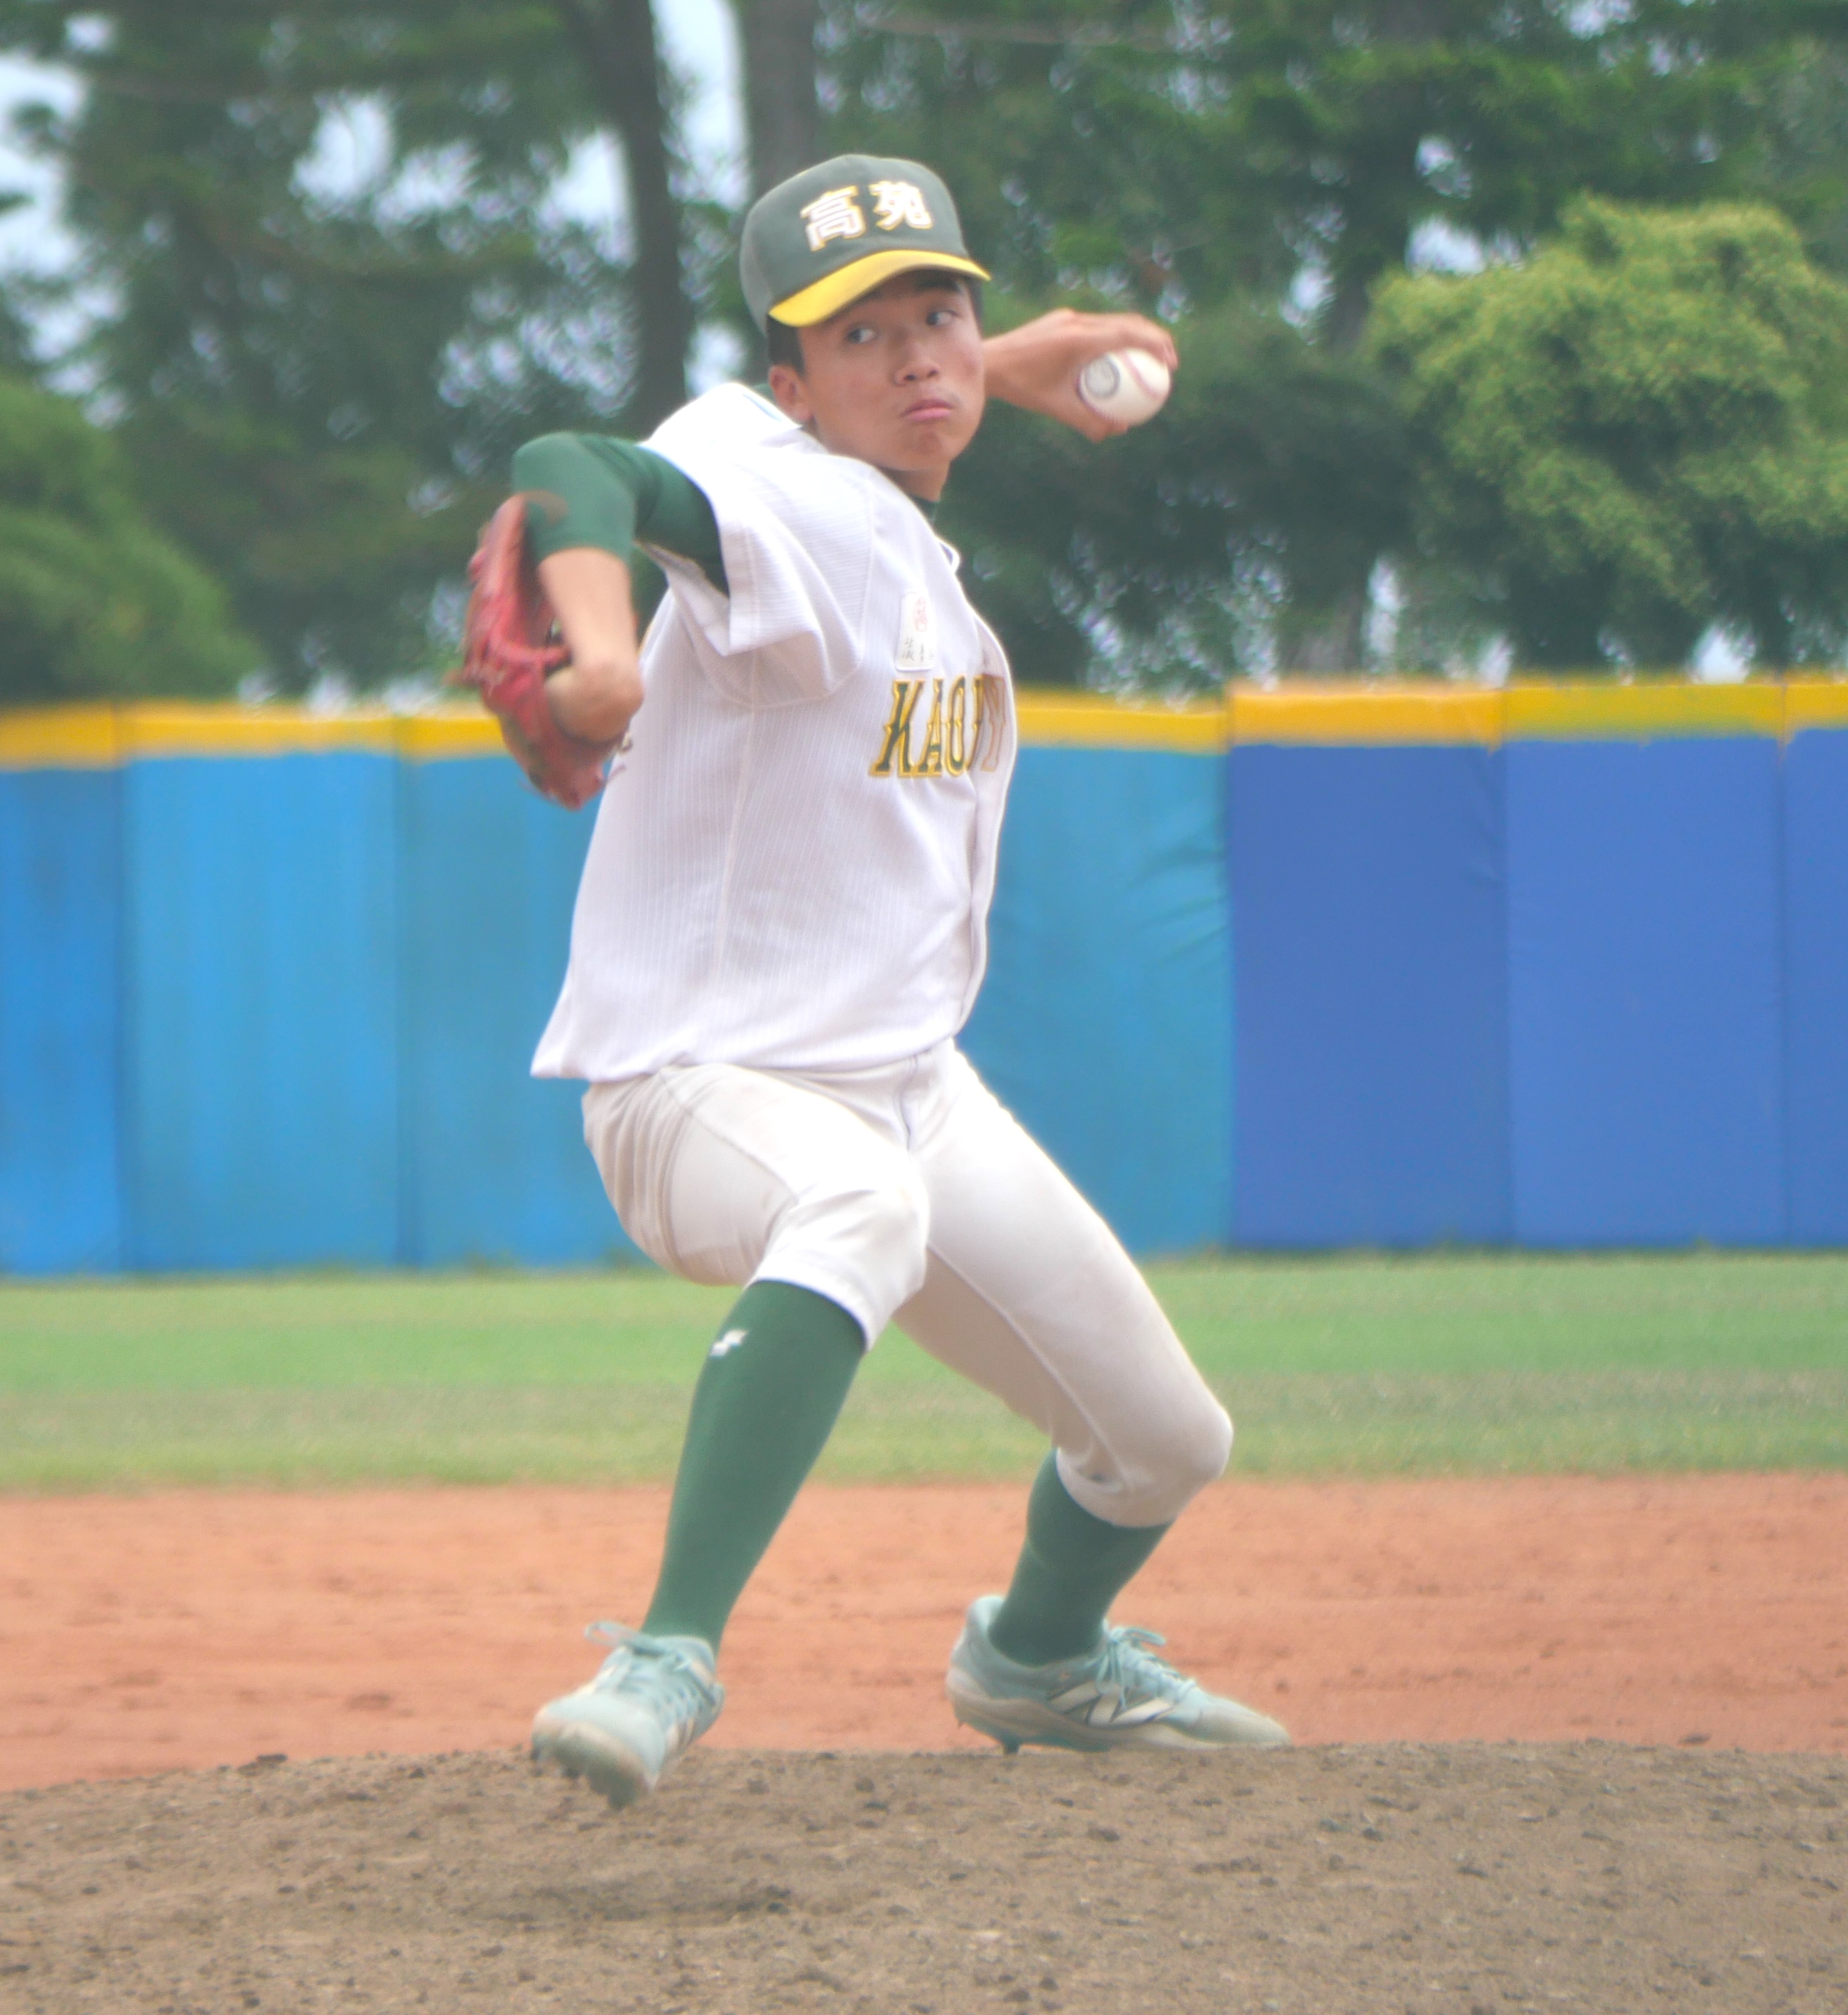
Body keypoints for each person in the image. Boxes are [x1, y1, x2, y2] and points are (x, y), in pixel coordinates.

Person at [492, 155, 1284, 1807]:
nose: (919, 352)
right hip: (701, 1085)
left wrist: (1008, 364)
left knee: (1165, 1439)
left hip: (905, 1085)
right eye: (864, 335)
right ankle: (665, 1656)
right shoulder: (791, 502)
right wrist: (606, 652)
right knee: (857, 1208)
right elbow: (572, 466)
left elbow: (874, 408)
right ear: (792, 385)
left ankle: (1042, 1656)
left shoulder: (858, 493)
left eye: (941, 314)